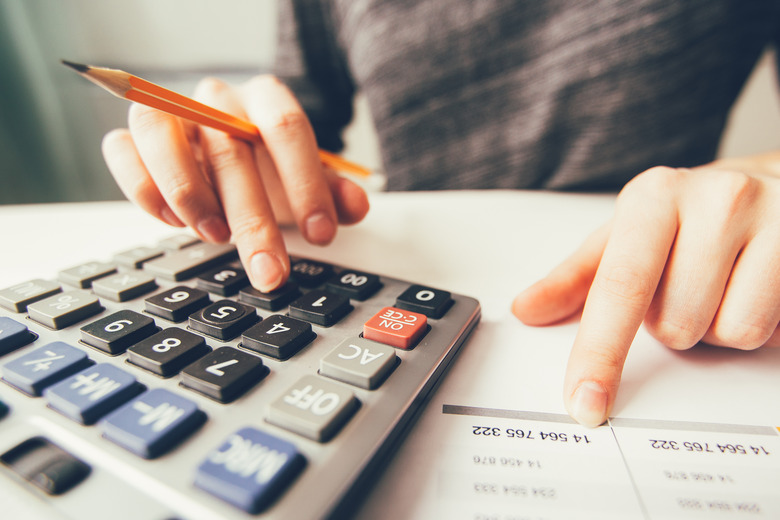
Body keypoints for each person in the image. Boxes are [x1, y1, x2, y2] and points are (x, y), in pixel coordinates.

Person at [100, 1, 780, 428]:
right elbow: (307, 130)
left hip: (666, 284)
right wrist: (244, 154)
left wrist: (768, 175)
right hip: (401, 273)